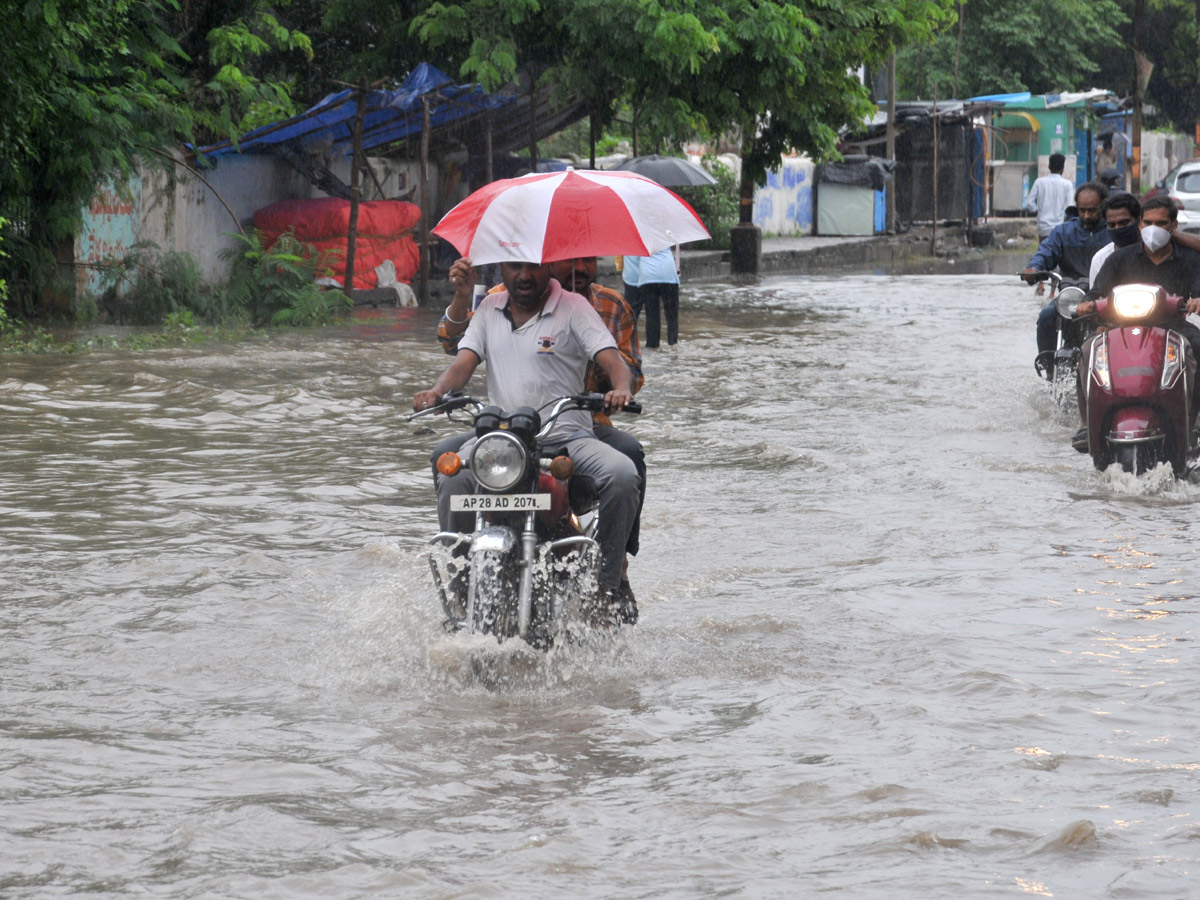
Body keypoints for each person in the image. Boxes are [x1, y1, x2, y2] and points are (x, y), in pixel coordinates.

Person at [415, 260, 641, 621]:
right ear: (502, 269)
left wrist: (621, 388)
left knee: (623, 474)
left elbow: (613, 360)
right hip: (502, 441)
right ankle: (459, 584)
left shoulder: (574, 307)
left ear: (548, 267)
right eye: (514, 267)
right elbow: (463, 362)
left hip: (567, 437)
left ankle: (606, 584)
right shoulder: (489, 307)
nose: (524, 276)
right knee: (452, 474)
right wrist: (437, 391)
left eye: (532, 267)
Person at [1069, 196, 1200, 449]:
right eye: (1148, 222)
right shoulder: (1119, 259)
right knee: (1087, 351)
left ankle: (1192, 422)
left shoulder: (1190, 260)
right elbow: (1096, 293)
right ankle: (1088, 424)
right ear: (1139, 224)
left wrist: (1197, 300)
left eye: (1161, 223)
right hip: (1122, 328)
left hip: (1175, 327)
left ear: (1173, 226)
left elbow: (1198, 290)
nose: (1154, 229)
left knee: (1198, 347)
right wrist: (1087, 303)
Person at [1021, 181, 1110, 374]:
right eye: (1082, 210)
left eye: (1092, 210)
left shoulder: (1113, 232)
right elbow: (1046, 251)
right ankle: (1048, 368)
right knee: (1046, 317)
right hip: (1071, 298)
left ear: (1103, 207)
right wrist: (1034, 268)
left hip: (1105, 298)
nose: (1086, 215)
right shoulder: (1063, 232)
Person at [1024, 152, 1075, 240]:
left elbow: (1029, 202)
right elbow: (1069, 207)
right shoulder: (1067, 184)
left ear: (1049, 167)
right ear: (1062, 168)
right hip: (1059, 228)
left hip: (1043, 228)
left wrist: (1036, 211)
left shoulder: (1039, 182)